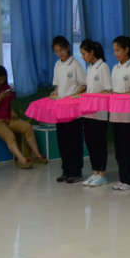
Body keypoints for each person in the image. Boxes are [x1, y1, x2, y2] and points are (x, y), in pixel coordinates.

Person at [0, 65, 46, 168]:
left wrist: (12, 112)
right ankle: (21, 159)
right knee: (10, 136)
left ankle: (37, 155)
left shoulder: (6, 88)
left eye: (4, 79)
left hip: (8, 118)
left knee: (27, 127)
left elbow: (10, 103)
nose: (2, 82)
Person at [50, 35, 86, 183]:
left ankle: (76, 171)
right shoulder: (57, 65)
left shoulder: (76, 64)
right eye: (57, 51)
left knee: (74, 141)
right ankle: (66, 170)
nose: (60, 53)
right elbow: (57, 85)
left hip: (73, 110)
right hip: (60, 109)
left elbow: (84, 85)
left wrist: (75, 94)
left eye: (62, 50)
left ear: (68, 48)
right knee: (63, 141)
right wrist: (54, 93)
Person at [110, 36, 130, 191]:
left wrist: (122, 96)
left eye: (118, 50)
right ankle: (122, 177)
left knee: (129, 149)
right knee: (119, 150)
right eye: (114, 51)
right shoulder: (115, 68)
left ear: (126, 49)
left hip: (129, 116)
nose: (116, 53)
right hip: (116, 114)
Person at [80, 39, 111, 187]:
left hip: (99, 114)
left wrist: (94, 97)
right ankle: (95, 172)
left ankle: (102, 174)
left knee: (99, 143)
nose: (83, 57)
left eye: (84, 54)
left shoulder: (103, 67)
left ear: (92, 52)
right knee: (91, 143)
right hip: (88, 112)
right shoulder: (90, 68)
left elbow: (108, 90)